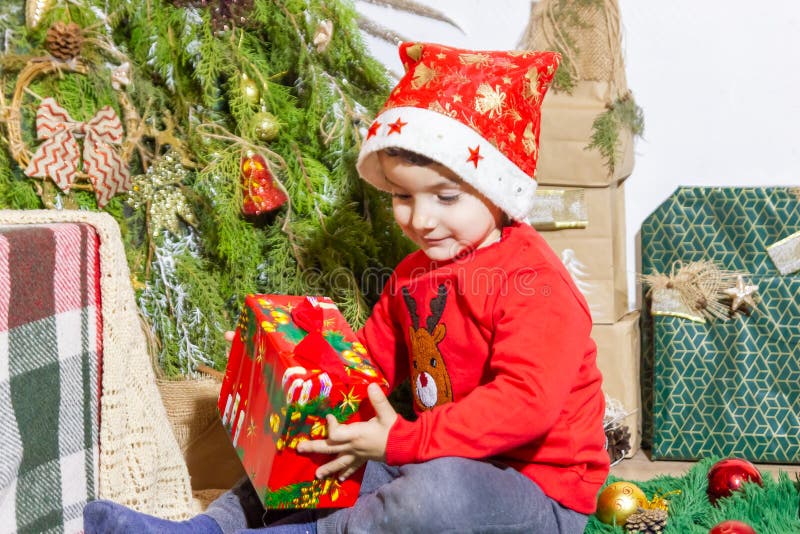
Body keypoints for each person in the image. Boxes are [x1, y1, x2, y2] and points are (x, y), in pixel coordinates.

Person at [84, 41, 609, 534]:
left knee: (431, 492)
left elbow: (525, 404)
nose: (421, 220)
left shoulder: (534, 285)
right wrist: (283, 362)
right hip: (438, 451)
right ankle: (208, 527)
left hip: (537, 490)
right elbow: (363, 366)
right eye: (402, 196)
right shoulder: (412, 276)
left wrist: (403, 441)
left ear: (497, 191)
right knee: (321, 442)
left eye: (446, 197)